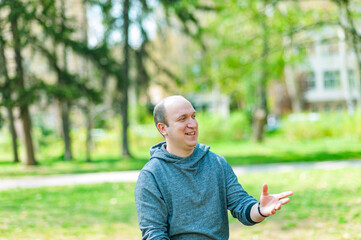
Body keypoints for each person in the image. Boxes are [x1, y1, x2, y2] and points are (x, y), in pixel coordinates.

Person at [134, 95, 293, 239]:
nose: (192, 124)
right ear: (163, 128)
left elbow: (241, 205)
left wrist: (259, 210)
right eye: (182, 119)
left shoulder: (216, 163)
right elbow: (154, 234)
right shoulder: (152, 175)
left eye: (193, 116)